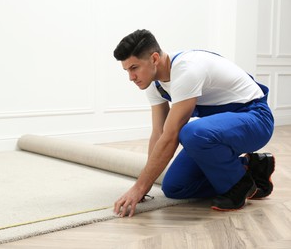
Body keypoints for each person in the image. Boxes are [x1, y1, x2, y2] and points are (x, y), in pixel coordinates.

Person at [112, 29, 275, 217]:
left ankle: (239, 186)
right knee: (175, 187)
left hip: (255, 119)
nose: (131, 77)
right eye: (127, 70)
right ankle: (251, 168)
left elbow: (171, 136)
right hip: (222, 129)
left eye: (134, 68)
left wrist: (139, 187)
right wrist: (144, 186)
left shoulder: (187, 70)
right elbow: (158, 133)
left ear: (154, 58)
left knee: (191, 133)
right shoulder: (154, 83)